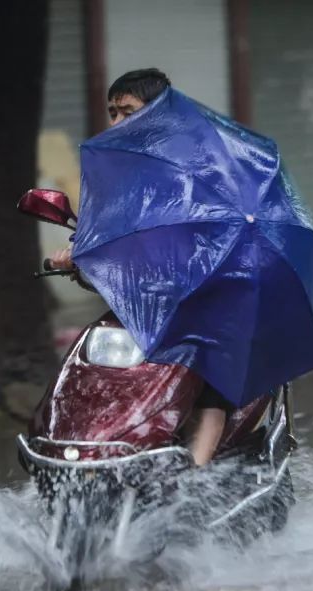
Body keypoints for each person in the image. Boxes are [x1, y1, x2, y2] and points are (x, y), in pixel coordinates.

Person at [51, 68, 230, 467]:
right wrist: (76, 258)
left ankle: (195, 480)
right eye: (112, 112)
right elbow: (102, 243)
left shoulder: (196, 170)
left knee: (210, 377)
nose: (116, 122)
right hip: (141, 308)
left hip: (198, 300)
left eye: (127, 111)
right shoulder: (113, 175)